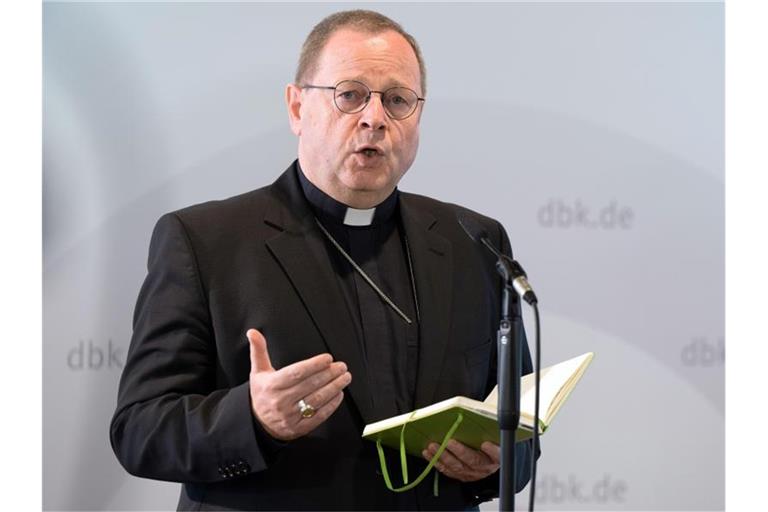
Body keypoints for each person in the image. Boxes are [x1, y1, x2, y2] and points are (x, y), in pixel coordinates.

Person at [110, 9, 536, 511]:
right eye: (350, 94)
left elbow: (517, 426)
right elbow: (139, 430)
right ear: (296, 108)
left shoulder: (475, 242)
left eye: (397, 100)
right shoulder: (204, 241)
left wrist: (500, 460)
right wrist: (254, 419)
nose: (374, 118)